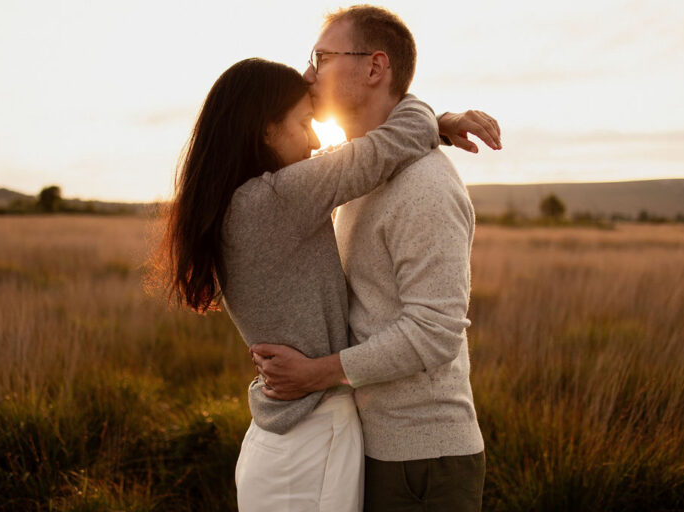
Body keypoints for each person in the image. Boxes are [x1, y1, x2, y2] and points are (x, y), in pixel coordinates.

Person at [155, 56, 497, 511]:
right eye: (303, 123)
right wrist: (436, 117)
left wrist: (433, 124)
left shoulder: (244, 201)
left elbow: (384, 147)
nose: (316, 141)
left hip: (282, 441)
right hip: (311, 442)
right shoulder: (278, 198)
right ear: (265, 131)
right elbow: (392, 143)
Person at [251, 5, 499, 512]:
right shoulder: (356, 174)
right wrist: (437, 119)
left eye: (321, 58)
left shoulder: (425, 185)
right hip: (373, 444)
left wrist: (317, 372)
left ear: (374, 67)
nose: (308, 74)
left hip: (424, 459)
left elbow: (434, 331)